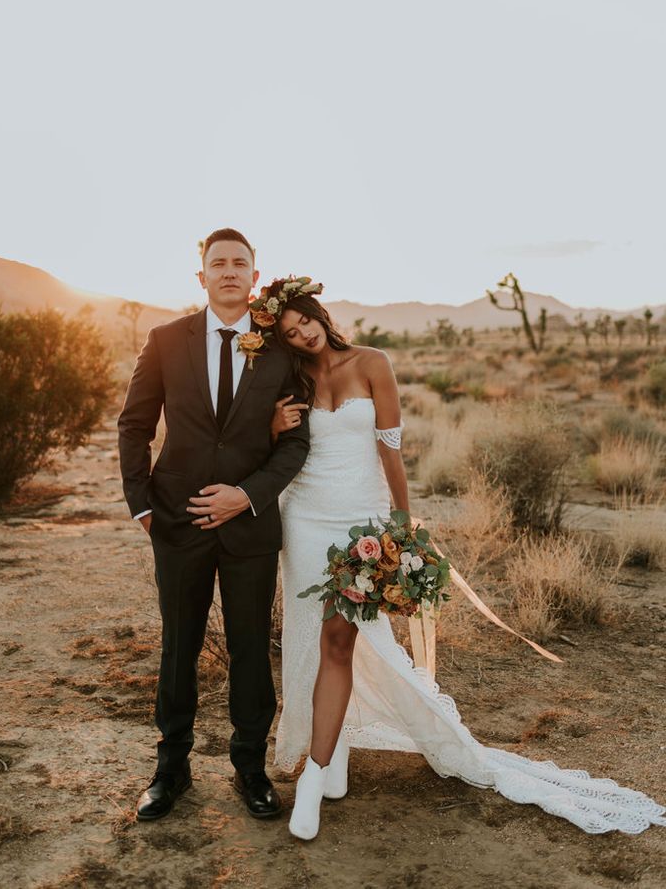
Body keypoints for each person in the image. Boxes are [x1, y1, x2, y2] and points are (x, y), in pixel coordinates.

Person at [260, 277, 666, 840]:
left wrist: (403, 530)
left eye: (304, 320)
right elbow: (273, 448)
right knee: (310, 639)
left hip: (362, 520)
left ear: (318, 312)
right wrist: (272, 425)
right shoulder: (291, 376)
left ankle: (315, 776)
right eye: (289, 331)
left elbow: (391, 452)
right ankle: (336, 752)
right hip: (304, 517)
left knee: (339, 638)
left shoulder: (372, 362)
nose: (302, 334)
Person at [117, 231, 309, 823]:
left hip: (249, 525)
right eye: (217, 263)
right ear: (200, 277)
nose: (229, 271)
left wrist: (246, 496)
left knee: (252, 648)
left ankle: (250, 767)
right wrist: (142, 505)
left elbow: (295, 442)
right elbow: (134, 424)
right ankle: (170, 769)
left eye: (240, 263)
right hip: (177, 521)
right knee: (180, 646)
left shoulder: (281, 350)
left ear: (255, 276)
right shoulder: (166, 340)